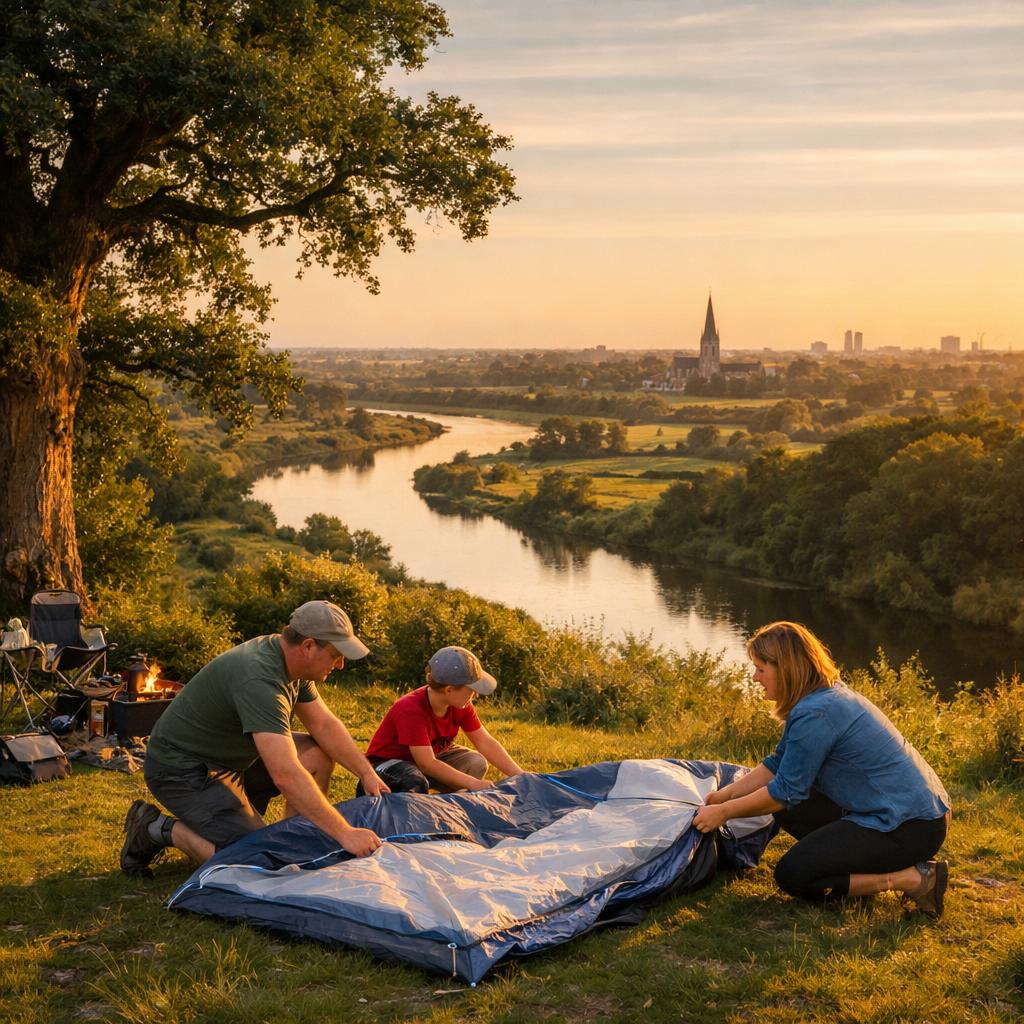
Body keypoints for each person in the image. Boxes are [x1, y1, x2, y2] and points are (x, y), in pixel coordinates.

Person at [693, 621, 951, 916]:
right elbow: (779, 764)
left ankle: (914, 879)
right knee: (787, 808)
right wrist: (724, 795)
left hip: (910, 825)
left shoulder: (817, 712)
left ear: (787, 669)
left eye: (761, 669)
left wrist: (722, 813)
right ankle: (864, 868)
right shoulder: (821, 696)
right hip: (910, 813)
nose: (755, 677)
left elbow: (785, 792)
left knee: (794, 875)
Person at [120, 601, 389, 877]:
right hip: (182, 769)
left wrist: (366, 772)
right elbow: (285, 773)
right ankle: (156, 827)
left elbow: (324, 724)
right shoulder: (260, 679)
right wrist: (345, 833)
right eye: (336, 654)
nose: (341, 664)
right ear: (308, 646)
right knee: (256, 862)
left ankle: (290, 841)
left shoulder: (292, 663)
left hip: (233, 759)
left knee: (316, 755)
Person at [360, 645, 524, 794]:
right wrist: (474, 784)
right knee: (414, 782)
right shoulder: (410, 709)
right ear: (449, 690)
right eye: (472, 689)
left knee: (475, 762)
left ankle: (447, 807)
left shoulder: (461, 705)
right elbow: (427, 763)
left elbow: (485, 742)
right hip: (387, 768)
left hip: (426, 761)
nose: (476, 695)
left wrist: (521, 776)